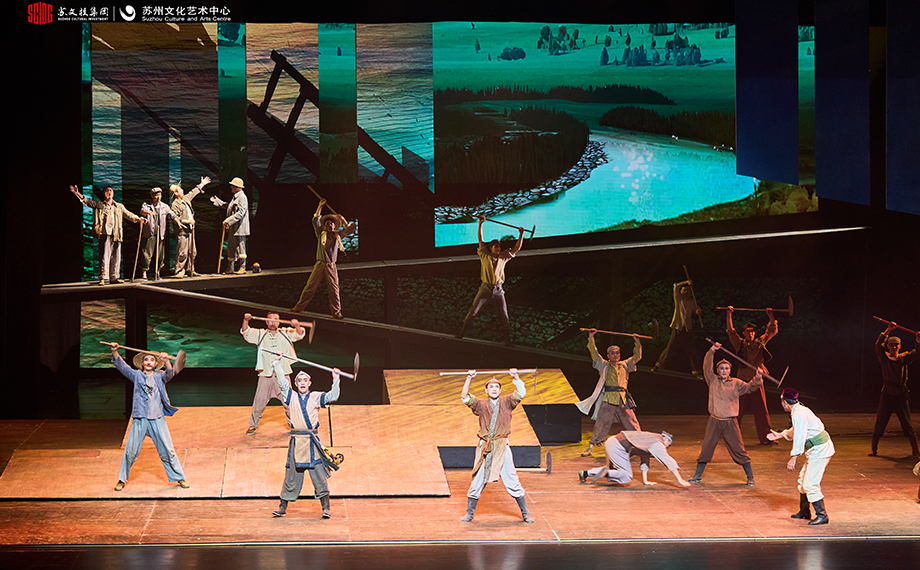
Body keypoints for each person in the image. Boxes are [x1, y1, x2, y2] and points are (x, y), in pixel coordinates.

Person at [108, 342, 188, 491]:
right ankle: (122, 479)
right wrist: (114, 351)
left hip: (157, 419)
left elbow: (170, 374)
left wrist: (166, 361)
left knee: (168, 450)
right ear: (142, 364)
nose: (149, 362)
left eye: (152, 360)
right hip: (140, 418)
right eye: (146, 360)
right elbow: (122, 367)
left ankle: (179, 477)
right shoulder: (136, 375)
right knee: (130, 451)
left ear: (156, 363)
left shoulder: (159, 376)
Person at [269, 354, 341, 519]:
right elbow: (282, 382)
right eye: (299, 380)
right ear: (295, 384)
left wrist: (336, 379)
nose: (302, 383)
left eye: (305, 380)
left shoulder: (316, 396)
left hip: (312, 443)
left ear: (309, 383)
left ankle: (326, 508)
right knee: (291, 476)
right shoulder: (290, 396)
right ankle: (282, 508)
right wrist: (277, 364)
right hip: (297, 443)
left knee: (319, 476)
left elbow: (333, 396)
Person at [459, 369, 534, 523]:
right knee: (478, 480)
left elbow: (521, 393)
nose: (494, 389)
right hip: (485, 446)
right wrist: (469, 378)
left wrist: (516, 376)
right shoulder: (481, 405)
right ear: (486, 390)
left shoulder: (507, 402)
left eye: (497, 387)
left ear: (500, 390)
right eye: (491, 387)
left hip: (502, 445)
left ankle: (525, 512)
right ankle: (470, 513)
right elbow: (464, 397)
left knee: (511, 478)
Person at [687, 342, 762, 486]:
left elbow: (751, 387)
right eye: (721, 368)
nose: (724, 370)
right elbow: (706, 367)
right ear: (717, 370)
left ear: (730, 370)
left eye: (726, 368)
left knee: (739, 450)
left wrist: (758, 377)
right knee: (706, 449)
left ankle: (750, 477)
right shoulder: (712, 381)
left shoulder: (736, 383)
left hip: (730, 422)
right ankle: (697, 475)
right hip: (714, 421)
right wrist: (711, 351)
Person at [767, 388, 835, 525]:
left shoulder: (799, 414)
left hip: (820, 450)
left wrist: (793, 457)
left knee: (810, 484)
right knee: (803, 480)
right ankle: (804, 511)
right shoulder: (800, 410)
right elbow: (797, 430)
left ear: (785, 402)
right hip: (816, 449)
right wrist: (780, 434)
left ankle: (822, 515)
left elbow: (799, 437)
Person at [456, 216, 525, 347]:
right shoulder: (484, 255)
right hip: (485, 288)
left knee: (504, 315)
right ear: (491, 247)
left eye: (499, 247)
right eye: (495, 246)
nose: (498, 248)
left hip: (499, 290)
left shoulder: (503, 257)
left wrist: (521, 234)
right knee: (473, 311)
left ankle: (507, 340)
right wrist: (480, 224)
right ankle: (461, 333)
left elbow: (517, 248)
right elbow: (480, 239)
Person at [575, 329, 642, 457]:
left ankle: (641, 446)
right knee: (601, 422)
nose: (615, 356)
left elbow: (636, 357)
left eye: (617, 353)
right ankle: (590, 447)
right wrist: (591, 337)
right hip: (609, 398)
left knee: (632, 423)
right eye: (612, 353)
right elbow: (594, 354)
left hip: (623, 398)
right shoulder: (604, 365)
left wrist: (637, 342)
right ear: (608, 355)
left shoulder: (625, 365)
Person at [240, 312, 307, 435]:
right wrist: (245, 320)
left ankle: (294, 425)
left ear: (279, 322)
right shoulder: (261, 334)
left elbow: (300, 334)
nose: (272, 322)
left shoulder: (285, 333)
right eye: (270, 320)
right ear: (266, 322)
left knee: (289, 402)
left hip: (283, 375)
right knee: (259, 402)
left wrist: (296, 325)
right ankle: (253, 425)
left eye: (275, 320)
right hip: (266, 375)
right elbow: (246, 332)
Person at [291, 199, 356, 319]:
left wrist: (343, 219)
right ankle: (298, 308)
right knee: (310, 287)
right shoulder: (321, 234)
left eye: (332, 224)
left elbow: (351, 229)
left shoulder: (337, 235)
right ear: (325, 225)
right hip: (320, 264)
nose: (330, 225)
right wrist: (320, 206)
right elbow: (315, 219)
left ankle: (337, 313)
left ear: (334, 226)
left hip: (331, 266)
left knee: (334, 290)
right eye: (328, 224)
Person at [69, 184, 144, 285]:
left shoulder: (119, 206)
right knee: (104, 256)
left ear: (113, 193)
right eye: (107, 190)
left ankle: (114, 277)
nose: (109, 192)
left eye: (110, 190)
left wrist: (138, 218)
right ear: (104, 193)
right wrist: (77, 193)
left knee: (116, 256)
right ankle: (103, 277)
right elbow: (88, 202)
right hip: (105, 233)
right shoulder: (100, 204)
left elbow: (128, 214)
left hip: (117, 233)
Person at [727, 306, 779, 444]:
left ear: (755, 333)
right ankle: (732, 438)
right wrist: (729, 314)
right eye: (748, 331)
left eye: (752, 331)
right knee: (737, 411)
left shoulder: (760, 343)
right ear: (744, 333)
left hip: (756, 382)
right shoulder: (740, 344)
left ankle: (767, 438)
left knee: (762, 411)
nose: (750, 334)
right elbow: (731, 332)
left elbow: (771, 330)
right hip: (742, 382)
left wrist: (770, 315)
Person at [870, 322, 920, 457]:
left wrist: (918, 340)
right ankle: (874, 449)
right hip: (887, 393)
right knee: (881, 421)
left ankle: (915, 450)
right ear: (888, 346)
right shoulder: (885, 358)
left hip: (901, 394)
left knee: (907, 423)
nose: (894, 347)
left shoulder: (904, 359)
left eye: (896, 345)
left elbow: (917, 352)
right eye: (891, 345)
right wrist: (888, 330)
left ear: (899, 346)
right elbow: (878, 345)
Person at [578, 430, 691, 488]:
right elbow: (667, 460)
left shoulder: (650, 438)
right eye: (668, 445)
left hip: (613, 441)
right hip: (618, 446)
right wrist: (679, 479)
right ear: (666, 439)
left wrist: (645, 481)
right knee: (626, 476)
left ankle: (586, 473)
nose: (667, 447)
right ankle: (601, 473)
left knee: (615, 470)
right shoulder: (658, 442)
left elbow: (645, 460)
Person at [653, 279, 702, 374]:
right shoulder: (678, 299)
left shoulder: (692, 302)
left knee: (692, 350)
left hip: (687, 329)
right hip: (677, 328)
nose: (686, 292)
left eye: (688, 290)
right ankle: (658, 365)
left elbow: (696, 310)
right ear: (681, 292)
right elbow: (675, 286)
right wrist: (686, 282)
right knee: (670, 348)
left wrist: (698, 311)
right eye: (685, 290)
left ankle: (696, 371)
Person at [140, 187, 184, 280]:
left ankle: (158, 273)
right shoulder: (147, 205)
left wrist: (178, 222)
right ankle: (144, 273)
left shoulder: (164, 206)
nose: (158, 197)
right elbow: (142, 211)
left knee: (160, 255)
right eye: (156, 195)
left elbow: (172, 215)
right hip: (150, 234)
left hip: (160, 234)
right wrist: (149, 212)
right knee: (147, 254)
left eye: (159, 195)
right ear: (152, 195)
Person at [169, 176, 209, 278]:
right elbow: (175, 218)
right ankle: (179, 271)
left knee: (193, 251)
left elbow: (193, 192)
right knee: (182, 252)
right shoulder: (174, 205)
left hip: (191, 229)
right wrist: (188, 221)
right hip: (182, 230)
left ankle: (191, 269)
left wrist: (202, 184)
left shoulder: (185, 199)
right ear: (176, 193)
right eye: (180, 190)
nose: (182, 190)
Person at [210, 177, 250, 274]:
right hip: (233, 227)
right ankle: (230, 268)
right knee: (231, 247)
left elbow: (241, 213)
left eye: (233, 185)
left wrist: (228, 220)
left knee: (240, 247)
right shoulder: (235, 197)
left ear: (238, 187)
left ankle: (242, 267)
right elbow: (228, 206)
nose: (231, 187)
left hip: (240, 228)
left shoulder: (242, 197)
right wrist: (217, 201)